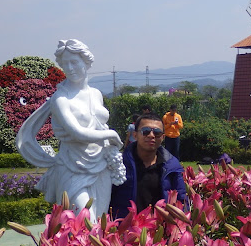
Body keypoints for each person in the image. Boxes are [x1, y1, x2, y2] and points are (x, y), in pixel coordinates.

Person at [16, 39, 124, 221]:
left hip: (101, 165)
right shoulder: (60, 99)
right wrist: (111, 134)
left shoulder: (96, 94)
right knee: (84, 220)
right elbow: (77, 133)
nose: (70, 68)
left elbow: (98, 124)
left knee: (99, 220)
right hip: (72, 165)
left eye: (74, 62)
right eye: (65, 64)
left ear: (86, 62)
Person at [110, 113, 187, 219]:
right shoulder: (119, 164)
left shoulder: (171, 167)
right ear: (135, 135)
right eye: (145, 131)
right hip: (125, 230)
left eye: (157, 132)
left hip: (159, 230)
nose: (151, 135)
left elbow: (181, 200)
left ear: (163, 137)